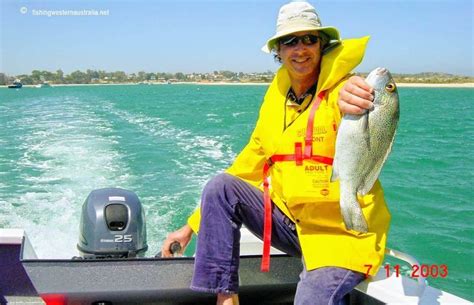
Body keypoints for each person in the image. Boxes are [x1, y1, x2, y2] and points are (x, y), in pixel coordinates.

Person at [161, 1, 391, 305]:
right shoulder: (276, 98)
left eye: (310, 39)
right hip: (292, 223)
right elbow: (247, 165)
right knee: (221, 187)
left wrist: (359, 98)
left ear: (323, 45)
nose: (300, 48)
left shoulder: (344, 88)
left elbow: (360, 101)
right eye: (290, 41)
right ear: (278, 51)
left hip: (343, 233)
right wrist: (190, 227)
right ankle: (226, 299)